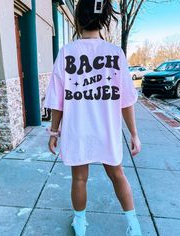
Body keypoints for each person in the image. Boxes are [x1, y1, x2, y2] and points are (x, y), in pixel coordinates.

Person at [44, 0, 142, 235]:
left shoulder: (67, 53)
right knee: (117, 175)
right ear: (103, 20)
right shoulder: (115, 54)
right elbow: (126, 101)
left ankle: (80, 223)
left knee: (79, 179)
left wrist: (54, 131)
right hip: (106, 130)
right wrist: (134, 134)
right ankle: (134, 225)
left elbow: (57, 100)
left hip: (77, 130)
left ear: (77, 19)